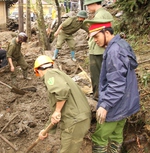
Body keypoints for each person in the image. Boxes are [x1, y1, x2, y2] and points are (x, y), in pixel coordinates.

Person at [85, 19, 140, 152]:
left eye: (97, 36)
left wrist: (105, 105)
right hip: (126, 103)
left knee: (100, 137)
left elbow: (116, 83)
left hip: (115, 105)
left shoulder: (114, 52)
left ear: (106, 32)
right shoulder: (121, 44)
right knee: (116, 134)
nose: (95, 41)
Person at [34, 55, 91, 153]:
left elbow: (62, 91)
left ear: (38, 71)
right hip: (78, 118)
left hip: (75, 119)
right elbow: (56, 112)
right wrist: (45, 130)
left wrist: (57, 111)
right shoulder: (59, 75)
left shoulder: (50, 74)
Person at [84, 0, 113, 100]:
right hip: (99, 50)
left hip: (97, 51)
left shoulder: (100, 16)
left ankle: (98, 97)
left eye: (88, 5)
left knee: (97, 75)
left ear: (94, 4)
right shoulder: (104, 13)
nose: (87, 8)